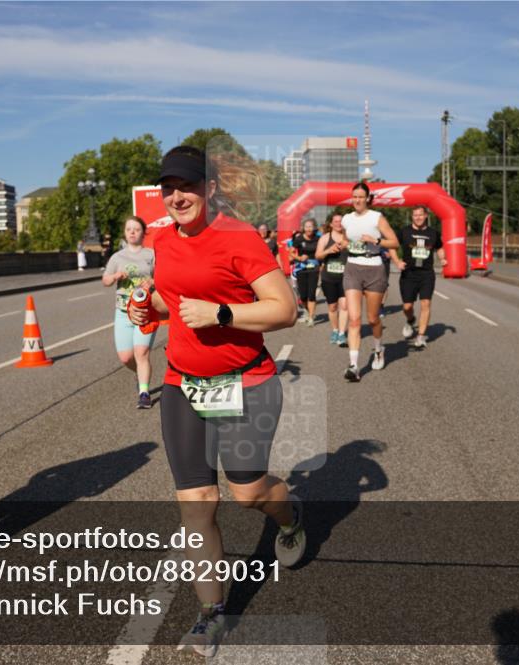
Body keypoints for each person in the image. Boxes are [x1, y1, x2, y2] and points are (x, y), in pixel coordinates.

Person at [128, 145, 303, 657]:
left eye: (187, 186)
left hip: (246, 382)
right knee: (197, 503)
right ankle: (211, 614)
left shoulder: (239, 237)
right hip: (183, 386)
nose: (177, 196)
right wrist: (150, 310)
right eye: (168, 188)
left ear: (209, 187)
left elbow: (285, 309)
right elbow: (175, 297)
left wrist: (222, 313)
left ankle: (290, 515)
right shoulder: (162, 238)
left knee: (247, 493)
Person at [341, 182, 399, 382]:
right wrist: (343, 244)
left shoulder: (376, 217)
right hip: (352, 268)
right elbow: (344, 239)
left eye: (360, 197)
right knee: (354, 319)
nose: (357, 200)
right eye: (354, 197)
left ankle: (378, 350)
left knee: (373, 319)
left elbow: (394, 242)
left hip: (374, 268)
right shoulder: (347, 219)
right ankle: (354, 365)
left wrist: (375, 241)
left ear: (367, 198)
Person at [103, 216, 156, 409]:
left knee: (141, 353)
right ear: (125, 233)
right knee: (126, 357)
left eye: (136, 229)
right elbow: (105, 280)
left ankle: (144, 392)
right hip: (123, 312)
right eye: (129, 229)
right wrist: (115, 276)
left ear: (143, 233)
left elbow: (164, 278)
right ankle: (140, 374)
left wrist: (152, 282)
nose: (132, 232)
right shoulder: (117, 257)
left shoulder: (151, 255)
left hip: (145, 312)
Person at [399, 205, 447, 348]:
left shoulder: (433, 233)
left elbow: (439, 247)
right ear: (412, 217)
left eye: (420, 215)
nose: (418, 218)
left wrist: (442, 258)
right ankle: (410, 320)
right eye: (415, 215)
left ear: (426, 216)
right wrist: (396, 260)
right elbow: (392, 244)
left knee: (426, 303)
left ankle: (420, 336)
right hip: (408, 273)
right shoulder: (404, 231)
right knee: (407, 306)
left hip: (426, 274)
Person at [316, 214, 349, 345]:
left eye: (341, 221)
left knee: (344, 306)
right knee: (332, 306)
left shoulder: (349, 238)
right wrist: (329, 250)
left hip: (346, 277)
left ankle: (342, 333)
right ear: (331, 224)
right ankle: (335, 330)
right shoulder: (325, 238)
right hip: (329, 277)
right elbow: (318, 255)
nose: (338, 223)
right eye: (336, 221)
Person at [288, 218, 321, 326]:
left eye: (310, 226)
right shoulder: (299, 239)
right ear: (303, 228)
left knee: (311, 294)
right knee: (303, 296)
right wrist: (299, 258)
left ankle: (311, 317)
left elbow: (321, 251)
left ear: (314, 227)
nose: (308, 229)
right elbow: (290, 252)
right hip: (301, 268)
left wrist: (321, 263)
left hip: (314, 268)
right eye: (306, 227)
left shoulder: (318, 238)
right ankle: (307, 311)